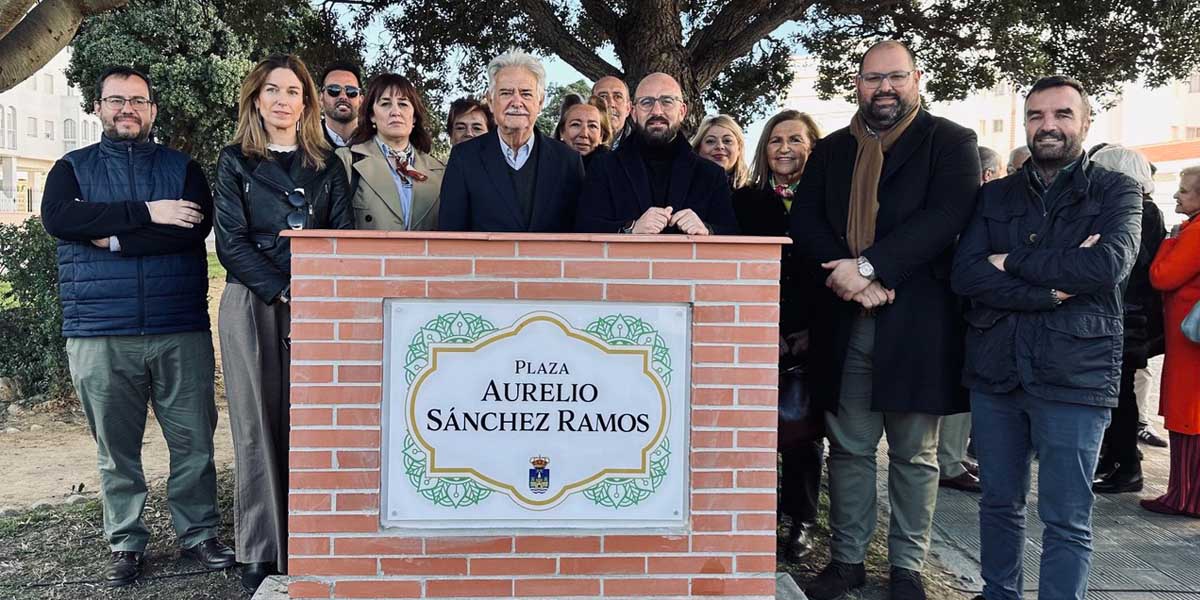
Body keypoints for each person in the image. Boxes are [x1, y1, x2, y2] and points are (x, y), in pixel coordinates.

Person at [791, 40, 980, 600]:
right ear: (857, 84)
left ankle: (907, 568)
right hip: (846, 319)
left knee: (914, 453)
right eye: (873, 78)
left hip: (916, 321)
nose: (885, 89)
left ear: (916, 80)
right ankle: (847, 560)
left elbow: (946, 216)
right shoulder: (831, 151)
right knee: (849, 447)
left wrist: (870, 267)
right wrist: (845, 275)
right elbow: (805, 219)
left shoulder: (950, 142)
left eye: (896, 77)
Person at [39, 65, 235, 588]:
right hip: (99, 330)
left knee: (193, 441)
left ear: (152, 110)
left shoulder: (183, 168)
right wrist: (149, 211)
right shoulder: (71, 169)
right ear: (99, 107)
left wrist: (111, 233)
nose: (127, 108)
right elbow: (61, 220)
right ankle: (126, 542)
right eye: (116, 100)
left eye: (138, 101)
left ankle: (199, 535)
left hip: (178, 326)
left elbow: (190, 231)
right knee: (116, 449)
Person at [951, 75, 1142, 600]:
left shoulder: (1116, 189)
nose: (1048, 126)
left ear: (1084, 122)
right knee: (997, 504)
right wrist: (1049, 289)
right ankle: (999, 594)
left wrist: (1010, 261)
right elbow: (966, 275)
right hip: (997, 369)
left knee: (1066, 517)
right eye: (1036, 116)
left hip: (1075, 373)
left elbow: (1105, 265)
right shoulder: (993, 196)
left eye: (1061, 115)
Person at [213, 54, 354, 593]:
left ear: (306, 102)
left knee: (311, 424)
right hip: (254, 301)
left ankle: (310, 540)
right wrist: (284, 285)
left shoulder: (327, 165)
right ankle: (261, 546)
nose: (282, 99)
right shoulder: (234, 162)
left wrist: (313, 287)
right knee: (256, 425)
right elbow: (231, 241)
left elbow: (341, 237)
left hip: (316, 302)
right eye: (272, 89)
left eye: (293, 91)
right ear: (256, 98)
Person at [734, 109, 824, 562]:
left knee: (803, 432)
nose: (784, 148)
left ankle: (802, 519)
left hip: (815, 329)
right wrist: (760, 326)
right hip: (756, 327)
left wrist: (810, 330)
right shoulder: (746, 201)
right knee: (753, 430)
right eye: (775, 141)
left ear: (812, 145)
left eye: (795, 140)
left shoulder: (828, 199)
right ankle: (756, 516)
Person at [1088, 145, 1166, 494]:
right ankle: (1115, 459)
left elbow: (1131, 266)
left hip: (1127, 318)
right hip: (1128, 316)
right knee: (1116, 395)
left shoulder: (1139, 210)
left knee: (1119, 397)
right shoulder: (1141, 207)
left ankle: (1126, 465)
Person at [438, 49, 584, 232]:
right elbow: (451, 235)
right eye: (506, 93)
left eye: (526, 93)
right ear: (491, 101)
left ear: (540, 102)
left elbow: (578, 236)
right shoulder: (464, 158)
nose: (516, 102)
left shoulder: (567, 161)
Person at [575, 72, 738, 235]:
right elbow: (584, 226)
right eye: (647, 102)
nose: (657, 111)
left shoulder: (711, 174)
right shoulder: (604, 167)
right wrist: (630, 228)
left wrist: (707, 230)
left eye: (667, 102)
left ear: (682, 111)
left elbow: (732, 233)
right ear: (633, 112)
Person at [936, 146, 1005, 495]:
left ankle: (952, 456)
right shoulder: (969, 207)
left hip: (964, 310)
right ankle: (947, 460)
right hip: (959, 310)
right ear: (989, 174)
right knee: (957, 385)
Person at [1143, 164, 1200, 518]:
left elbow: (1162, 276)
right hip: (1189, 338)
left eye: (1185, 190)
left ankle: (1184, 496)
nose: (1177, 194)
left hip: (1190, 340)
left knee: (1188, 416)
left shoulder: (1193, 233)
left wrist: (1168, 241)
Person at [337, 73, 444, 230]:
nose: (395, 112)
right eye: (385, 104)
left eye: (403, 104)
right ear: (372, 115)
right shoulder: (347, 160)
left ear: (414, 117)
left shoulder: (439, 170)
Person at [691, 114, 751, 190]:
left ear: (739, 149)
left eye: (727, 141)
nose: (719, 146)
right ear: (698, 149)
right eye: (710, 141)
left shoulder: (756, 195)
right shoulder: (680, 189)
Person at [556, 95, 612, 168]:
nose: (584, 134)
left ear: (601, 135)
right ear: (562, 131)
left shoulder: (614, 169)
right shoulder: (543, 163)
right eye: (576, 124)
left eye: (592, 126)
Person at [319, 60, 363, 148]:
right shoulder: (305, 145)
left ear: (361, 100)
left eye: (351, 91)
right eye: (333, 90)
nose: (343, 96)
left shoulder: (378, 143)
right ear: (321, 99)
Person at [592, 75, 634, 150]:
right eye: (603, 97)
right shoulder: (575, 147)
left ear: (628, 109)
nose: (610, 103)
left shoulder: (644, 148)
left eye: (618, 97)